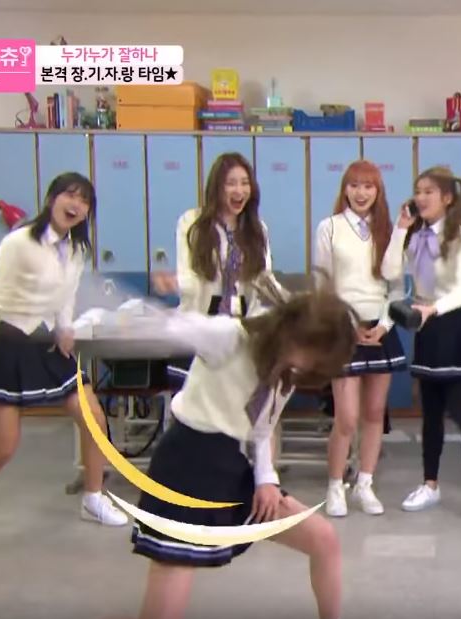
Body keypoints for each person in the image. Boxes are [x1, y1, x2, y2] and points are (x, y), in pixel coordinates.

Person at [129, 279, 356, 619]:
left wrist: (266, 480)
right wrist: (129, 314)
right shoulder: (231, 337)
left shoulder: (288, 371)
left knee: (323, 538)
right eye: (313, 352)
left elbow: (261, 427)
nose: (309, 364)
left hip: (234, 466)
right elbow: (172, 327)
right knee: (171, 578)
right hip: (187, 465)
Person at [0, 172, 128, 537]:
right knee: (3, 446)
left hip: (47, 344)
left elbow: (66, 296)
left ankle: (93, 497)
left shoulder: (76, 249)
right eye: (69, 195)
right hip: (8, 343)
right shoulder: (19, 242)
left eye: (84, 201)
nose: (75, 204)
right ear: (51, 199)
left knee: (94, 418)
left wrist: (65, 329)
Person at [380, 166, 461, 520]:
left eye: (429, 191)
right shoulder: (416, 236)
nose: (421, 197)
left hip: (457, 323)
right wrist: (400, 229)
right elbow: (389, 272)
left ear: (447, 198)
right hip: (427, 324)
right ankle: (430, 484)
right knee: (429, 411)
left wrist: (434, 308)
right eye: (418, 191)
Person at [313, 160, 406, 517]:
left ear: (378, 191)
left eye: (368, 186)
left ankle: (365, 483)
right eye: (354, 185)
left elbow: (396, 288)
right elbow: (323, 285)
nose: (361, 193)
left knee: (374, 413)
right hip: (343, 330)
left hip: (380, 330)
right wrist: (347, 324)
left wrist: (384, 324)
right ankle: (336, 485)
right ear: (344, 190)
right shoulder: (330, 228)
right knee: (347, 417)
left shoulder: (389, 232)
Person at [160, 152, 280, 387]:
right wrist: (175, 283)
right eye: (231, 183)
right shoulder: (192, 223)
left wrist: (289, 301)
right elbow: (189, 275)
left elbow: (265, 281)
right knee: (193, 404)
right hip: (200, 327)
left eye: (245, 183)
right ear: (217, 187)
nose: (239, 190)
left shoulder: (257, 229)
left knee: (236, 404)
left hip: (241, 331)